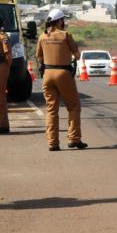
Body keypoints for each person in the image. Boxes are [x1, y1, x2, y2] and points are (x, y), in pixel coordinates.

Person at [36, 9, 87, 151]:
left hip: (47, 74)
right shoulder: (66, 35)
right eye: (63, 20)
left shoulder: (42, 37)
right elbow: (77, 55)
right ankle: (74, 139)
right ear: (59, 21)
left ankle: (52, 143)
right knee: (74, 106)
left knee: (51, 110)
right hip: (63, 74)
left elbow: (39, 57)